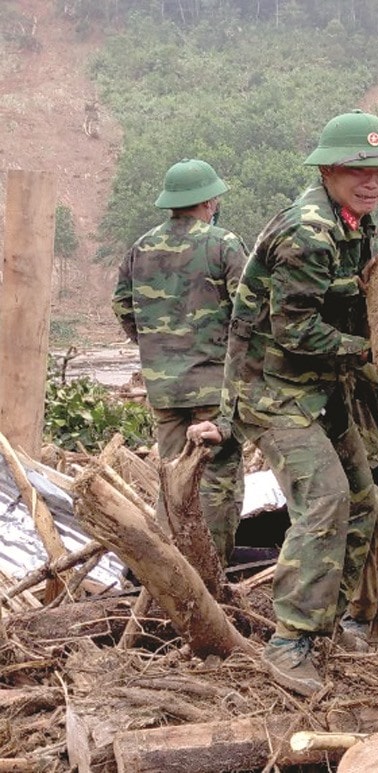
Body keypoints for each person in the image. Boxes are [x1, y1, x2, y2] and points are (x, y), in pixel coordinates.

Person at [191, 110, 378, 695]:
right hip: (273, 391)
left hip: (319, 389)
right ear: (328, 169)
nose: (371, 182)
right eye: (356, 170)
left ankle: (329, 627)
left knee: (368, 507)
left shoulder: (352, 224)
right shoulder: (309, 232)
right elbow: (296, 332)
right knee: (326, 500)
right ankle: (288, 642)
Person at [112, 158, 245, 564]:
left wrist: (154, 346)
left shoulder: (141, 247)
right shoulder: (223, 243)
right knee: (216, 479)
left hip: (164, 389)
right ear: (210, 200)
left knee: (172, 479)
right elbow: (250, 310)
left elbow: (121, 305)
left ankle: (170, 572)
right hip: (214, 387)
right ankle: (211, 574)